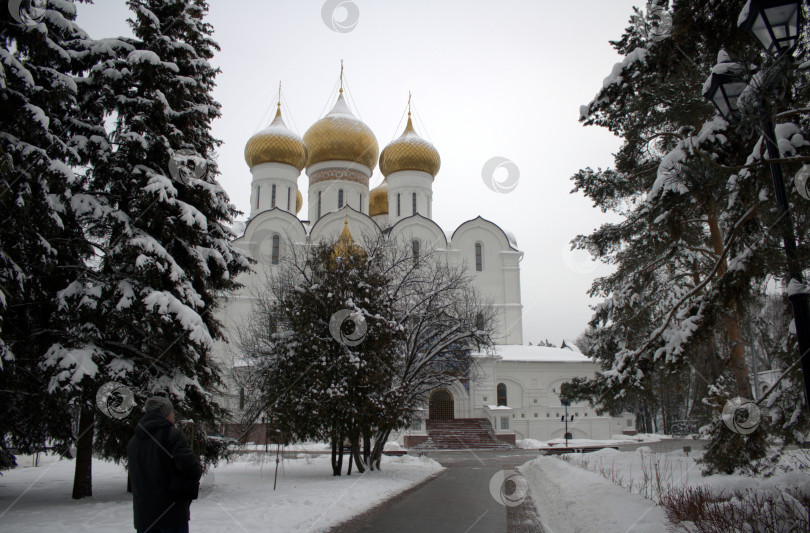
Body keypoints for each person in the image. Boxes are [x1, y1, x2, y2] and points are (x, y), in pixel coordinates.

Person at [128, 396, 203, 533]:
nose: (173, 415)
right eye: (172, 412)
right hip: (171, 515)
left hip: (143, 517)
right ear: (166, 414)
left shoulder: (135, 440)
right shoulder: (172, 435)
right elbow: (192, 469)